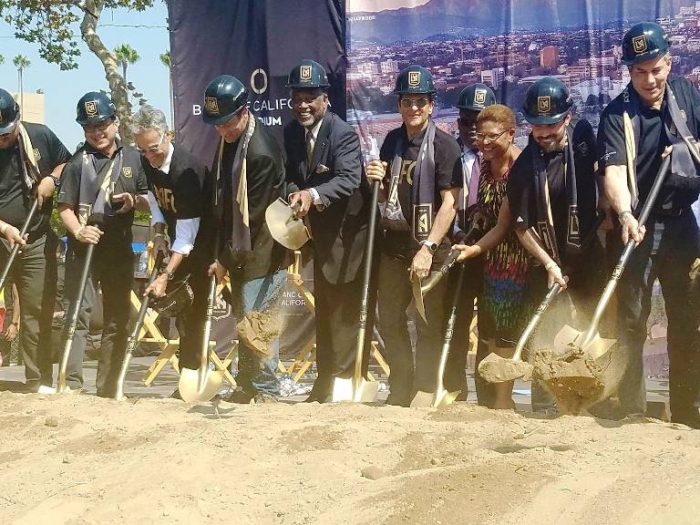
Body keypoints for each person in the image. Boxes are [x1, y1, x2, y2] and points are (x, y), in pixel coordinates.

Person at [598, 22, 700, 427]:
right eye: (639, 71)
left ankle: (688, 411)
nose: (649, 79)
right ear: (628, 72)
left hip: (683, 225)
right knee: (632, 321)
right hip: (638, 226)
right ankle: (633, 411)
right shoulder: (617, 112)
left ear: (669, 63)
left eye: (655, 69)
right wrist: (624, 213)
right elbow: (614, 172)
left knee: (688, 317)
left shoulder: (689, 96)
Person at [502, 77, 605, 413]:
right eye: (536, 126)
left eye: (551, 124)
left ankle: (594, 401)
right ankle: (546, 406)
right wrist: (548, 264)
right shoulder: (521, 172)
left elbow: (603, 173)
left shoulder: (584, 137)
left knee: (593, 327)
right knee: (546, 337)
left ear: (568, 117)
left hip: (587, 252)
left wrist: (608, 212)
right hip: (545, 260)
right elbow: (522, 228)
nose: (544, 133)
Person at [366, 65, 461, 407]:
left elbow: (450, 204)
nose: (414, 108)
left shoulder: (446, 145)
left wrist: (429, 247)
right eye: (407, 101)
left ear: (432, 105)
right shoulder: (391, 140)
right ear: (399, 105)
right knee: (390, 320)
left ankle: (424, 387)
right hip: (392, 245)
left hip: (428, 248)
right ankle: (400, 386)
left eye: (421, 101)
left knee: (427, 323)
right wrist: (374, 179)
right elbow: (385, 197)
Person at [284, 59, 373, 403]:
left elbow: (350, 180)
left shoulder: (343, 134)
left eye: (310, 97)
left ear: (326, 99)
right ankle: (324, 383)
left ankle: (347, 384)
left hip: (350, 239)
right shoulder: (291, 132)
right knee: (325, 312)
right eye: (296, 98)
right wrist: (294, 192)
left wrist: (312, 194)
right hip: (319, 238)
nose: (302, 105)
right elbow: (292, 174)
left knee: (346, 313)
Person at [56, 91, 149, 396]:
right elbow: (65, 208)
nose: (97, 132)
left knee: (117, 316)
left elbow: (151, 200)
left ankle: (110, 385)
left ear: (115, 121)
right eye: (89, 128)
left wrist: (134, 200)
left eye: (102, 125)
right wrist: (78, 232)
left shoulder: (134, 157)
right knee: (77, 314)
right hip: (83, 248)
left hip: (119, 247)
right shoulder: (76, 162)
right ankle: (70, 384)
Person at [203, 75, 287, 403]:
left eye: (226, 123)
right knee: (244, 320)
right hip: (238, 249)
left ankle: (268, 391)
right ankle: (247, 386)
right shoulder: (230, 141)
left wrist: (223, 259)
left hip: (263, 249)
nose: (221, 131)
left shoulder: (260, 152)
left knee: (259, 321)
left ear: (244, 112)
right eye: (217, 124)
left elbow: (253, 217)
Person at [131, 104, 210, 398]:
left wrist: (164, 275)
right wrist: (160, 231)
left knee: (195, 319)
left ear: (168, 135)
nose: (150, 157)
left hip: (202, 250)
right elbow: (154, 201)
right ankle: (186, 384)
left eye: (154, 149)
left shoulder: (188, 170)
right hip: (176, 245)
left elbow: (189, 236)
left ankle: (195, 385)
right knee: (182, 319)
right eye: (143, 151)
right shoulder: (148, 163)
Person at [452, 104, 526, 409]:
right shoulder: (484, 164)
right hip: (489, 258)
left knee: (505, 334)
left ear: (510, 134)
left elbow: (504, 224)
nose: (485, 143)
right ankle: (493, 401)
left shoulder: (518, 168)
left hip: (515, 258)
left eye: (492, 137)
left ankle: (503, 402)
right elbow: (482, 212)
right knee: (490, 331)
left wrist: (474, 249)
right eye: (480, 137)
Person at [0, 88, 71, 393]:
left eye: (5, 133)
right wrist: (4, 229)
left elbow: (68, 161)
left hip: (37, 237)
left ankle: (38, 379)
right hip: (3, 233)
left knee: (35, 310)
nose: (2, 140)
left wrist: (52, 179)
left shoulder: (40, 135)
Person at [444, 82, 497, 405]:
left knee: (491, 328)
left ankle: (490, 396)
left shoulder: (509, 158)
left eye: (481, 123)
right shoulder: (449, 155)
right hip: (457, 250)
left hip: (494, 252)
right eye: (467, 122)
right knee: (455, 324)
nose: (474, 131)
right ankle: (454, 392)